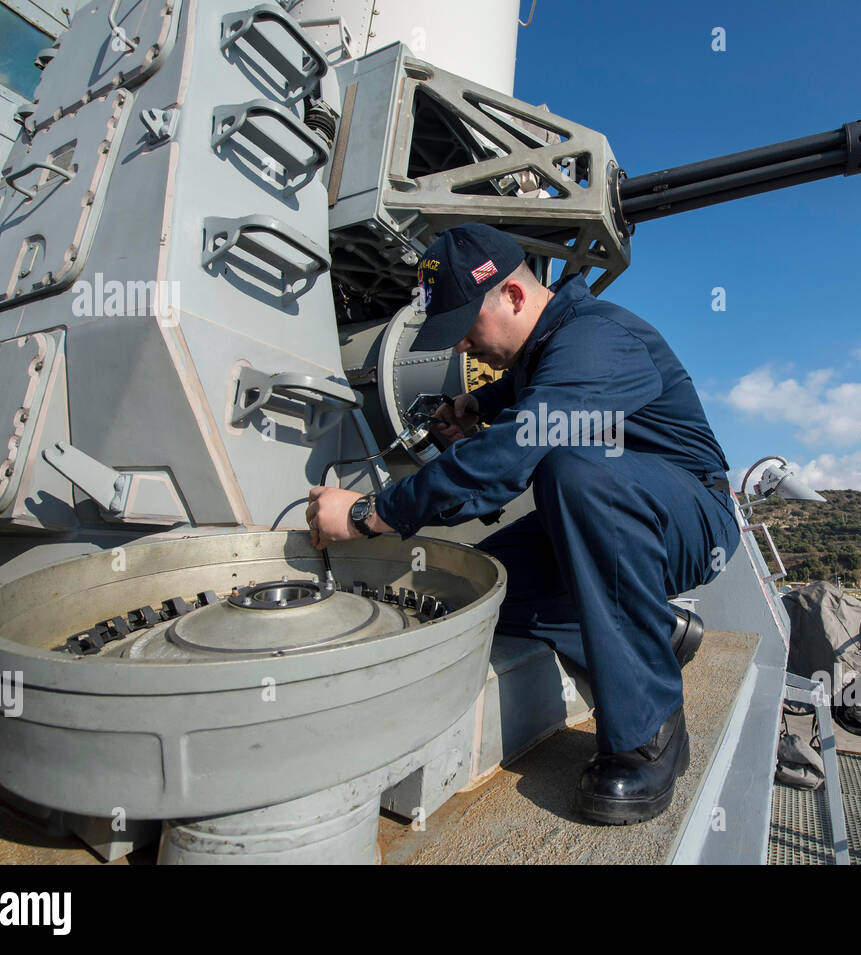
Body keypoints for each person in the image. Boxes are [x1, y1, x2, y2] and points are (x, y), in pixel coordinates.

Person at [307, 223, 740, 824]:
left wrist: (369, 514)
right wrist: (477, 406)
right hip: (612, 519)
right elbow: (520, 390)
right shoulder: (550, 343)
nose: (460, 347)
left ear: (512, 296)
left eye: (464, 328)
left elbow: (515, 453)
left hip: (690, 516)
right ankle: (657, 631)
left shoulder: (599, 339)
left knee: (574, 469)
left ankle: (649, 735)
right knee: (477, 594)